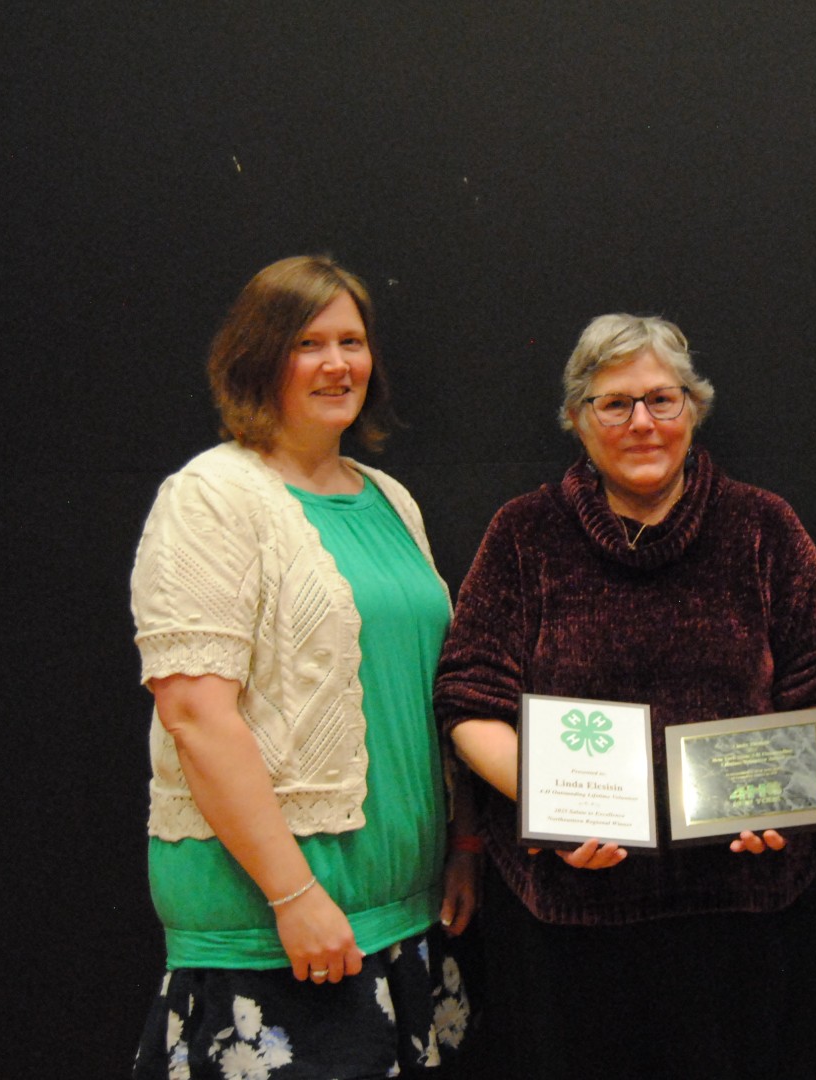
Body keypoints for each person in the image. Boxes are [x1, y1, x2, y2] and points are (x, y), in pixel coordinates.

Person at [433, 313, 816, 1079]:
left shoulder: (764, 526)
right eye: (614, 403)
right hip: (566, 921)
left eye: (663, 400)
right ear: (576, 419)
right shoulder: (523, 534)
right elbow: (470, 699)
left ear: (693, 408)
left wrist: (780, 797)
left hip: (739, 914)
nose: (642, 423)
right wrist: (551, 806)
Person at [129, 256, 476, 1078]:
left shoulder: (391, 499)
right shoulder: (211, 496)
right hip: (281, 929)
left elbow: (430, 691)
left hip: (402, 918)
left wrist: (464, 844)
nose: (337, 364)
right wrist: (293, 896)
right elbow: (194, 715)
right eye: (308, 343)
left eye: (351, 341)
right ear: (258, 358)